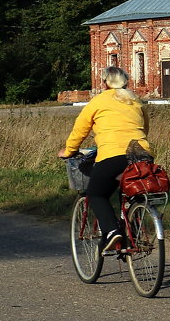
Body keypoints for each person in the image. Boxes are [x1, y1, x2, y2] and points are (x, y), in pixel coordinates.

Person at [58, 66, 152, 252]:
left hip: (112, 155)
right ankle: (132, 231)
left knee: (96, 194)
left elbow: (80, 130)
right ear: (126, 82)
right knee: (130, 191)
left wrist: (69, 151)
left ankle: (112, 231)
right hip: (142, 154)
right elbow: (144, 128)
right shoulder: (135, 100)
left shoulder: (98, 101)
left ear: (105, 83)